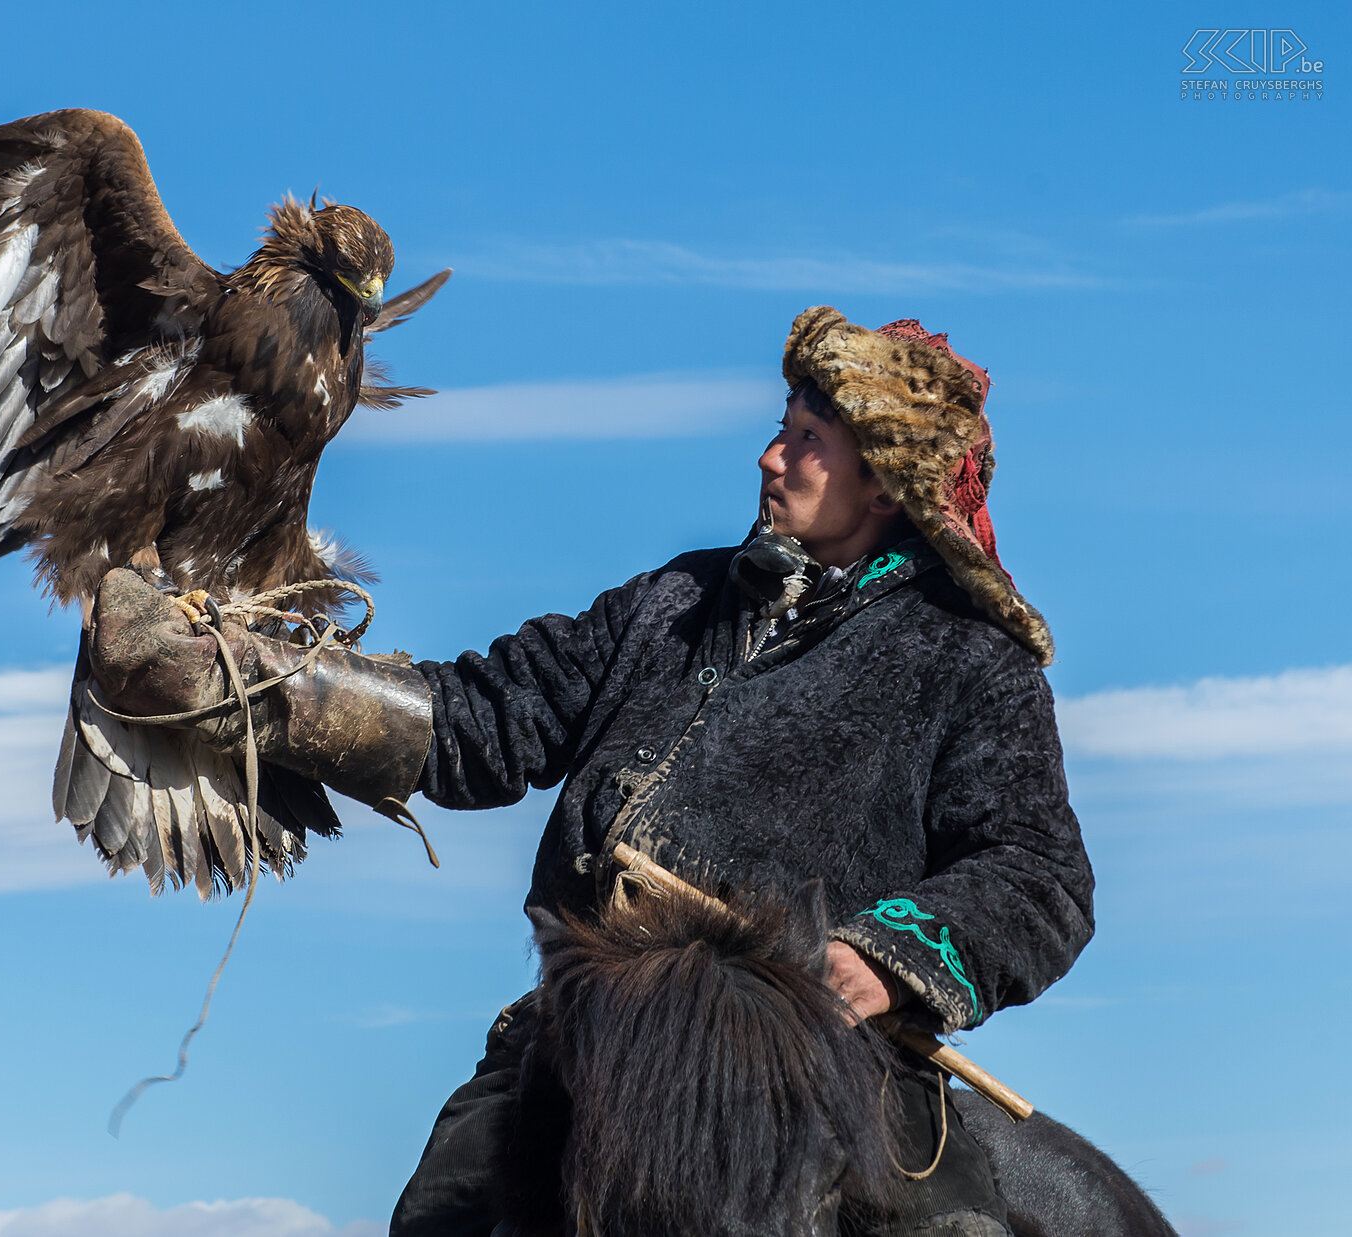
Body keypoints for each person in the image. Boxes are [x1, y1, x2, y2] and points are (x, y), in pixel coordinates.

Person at [88, 307, 1095, 1237]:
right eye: (779, 427)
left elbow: (1036, 875)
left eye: (804, 440)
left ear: (881, 483)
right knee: (440, 1213)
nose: (768, 454)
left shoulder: (966, 660)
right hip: (585, 1045)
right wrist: (258, 686)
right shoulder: (671, 602)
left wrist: (874, 962)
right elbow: (484, 717)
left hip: (810, 1071)